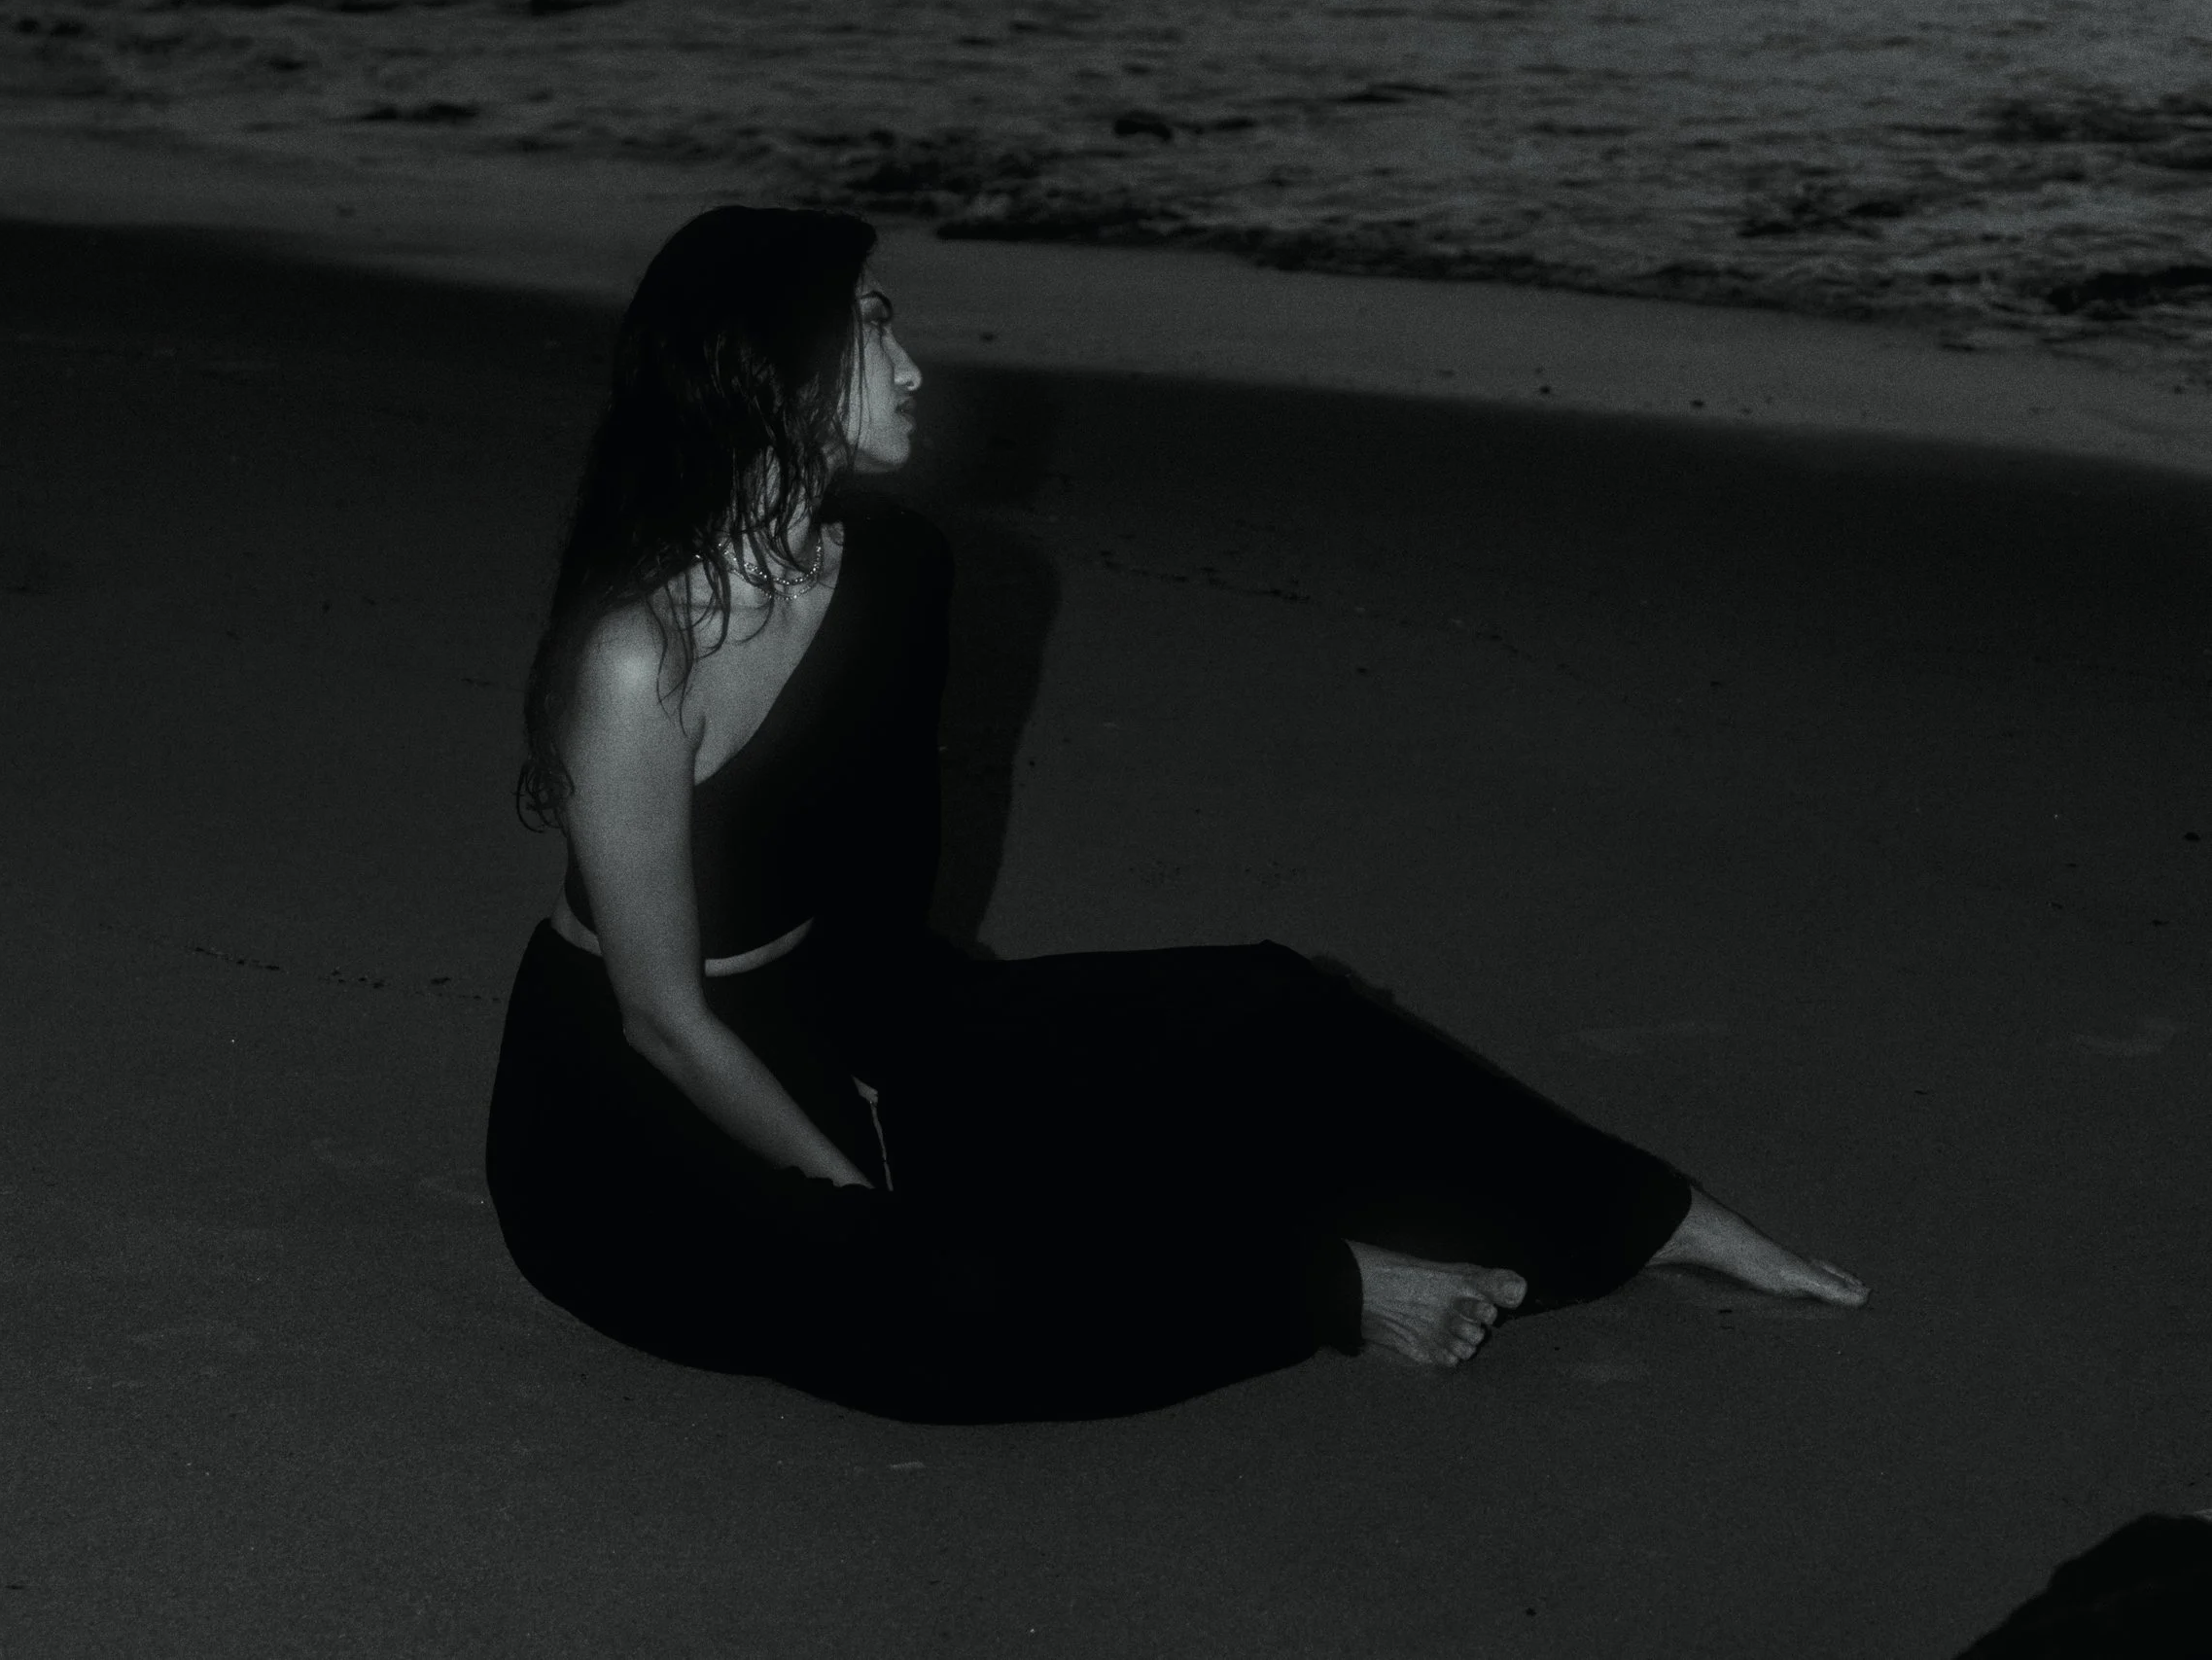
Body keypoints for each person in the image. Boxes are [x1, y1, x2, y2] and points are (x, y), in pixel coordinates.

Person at [485, 206, 1864, 1422]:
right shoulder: (637, 656)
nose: (910, 365)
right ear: (765, 372)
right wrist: (864, 1187)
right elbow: (663, 1019)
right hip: (626, 1123)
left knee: (1265, 1011)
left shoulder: (897, 567)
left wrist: (959, 1079)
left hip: (832, 1008)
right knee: (948, 1298)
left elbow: (877, 890)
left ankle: (1650, 1214)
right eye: (869, 329)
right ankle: (1329, 1286)